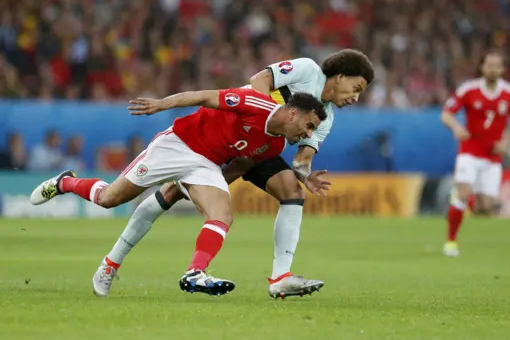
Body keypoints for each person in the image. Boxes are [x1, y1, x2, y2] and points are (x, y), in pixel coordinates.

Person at [93, 49, 374, 299]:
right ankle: (112, 260)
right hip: (234, 126)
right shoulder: (307, 70)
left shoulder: (325, 118)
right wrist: (263, 118)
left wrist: (306, 175)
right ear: (339, 76)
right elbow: (259, 80)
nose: (356, 97)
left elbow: (302, 160)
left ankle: (280, 278)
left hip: (260, 146)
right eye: (356, 87)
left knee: (293, 191)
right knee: (170, 192)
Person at [30, 88, 327, 297]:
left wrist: (200, 189)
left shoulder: (273, 146)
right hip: (177, 145)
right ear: (292, 113)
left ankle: (195, 272)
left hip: (205, 165)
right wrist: (162, 104)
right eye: (309, 125)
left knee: (222, 214)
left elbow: (238, 165)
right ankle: (65, 182)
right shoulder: (255, 103)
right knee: (109, 199)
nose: (308, 134)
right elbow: (203, 96)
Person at [441, 51, 510, 257]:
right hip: (469, 150)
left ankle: (460, 200)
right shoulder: (469, 90)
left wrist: (506, 141)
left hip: (492, 157)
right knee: (464, 192)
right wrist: (457, 129)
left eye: (496, 65)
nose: (492, 69)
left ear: (503, 69)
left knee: (485, 208)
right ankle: (451, 241)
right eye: (488, 65)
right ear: (482, 67)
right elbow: (446, 114)